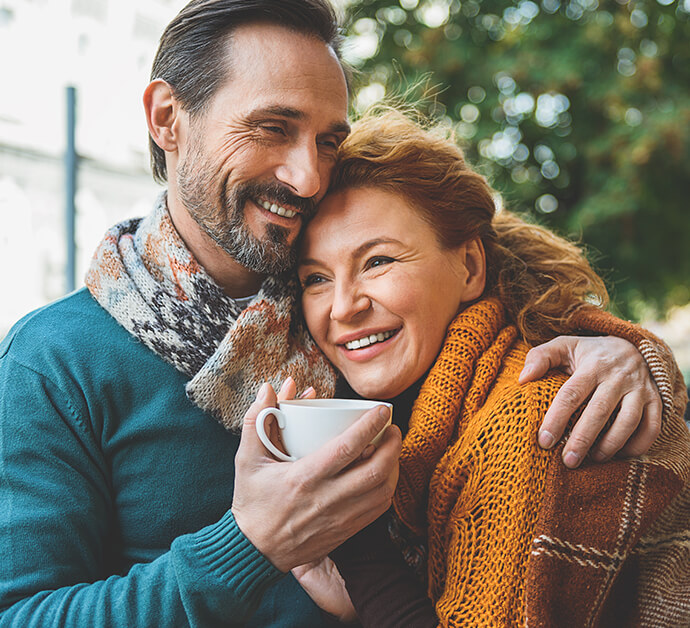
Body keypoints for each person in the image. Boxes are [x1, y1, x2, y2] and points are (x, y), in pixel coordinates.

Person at [0, 0, 678, 625]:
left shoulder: (354, 332)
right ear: (167, 120)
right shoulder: (55, 360)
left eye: (328, 140)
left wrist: (617, 347)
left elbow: (497, 283)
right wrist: (249, 545)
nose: (308, 177)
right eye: (272, 128)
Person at [286, 109, 690, 626]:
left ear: (470, 266)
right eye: (315, 278)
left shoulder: (531, 418)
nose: (342, 307)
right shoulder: (425, 408)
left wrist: (361, 558)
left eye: (377, 261)